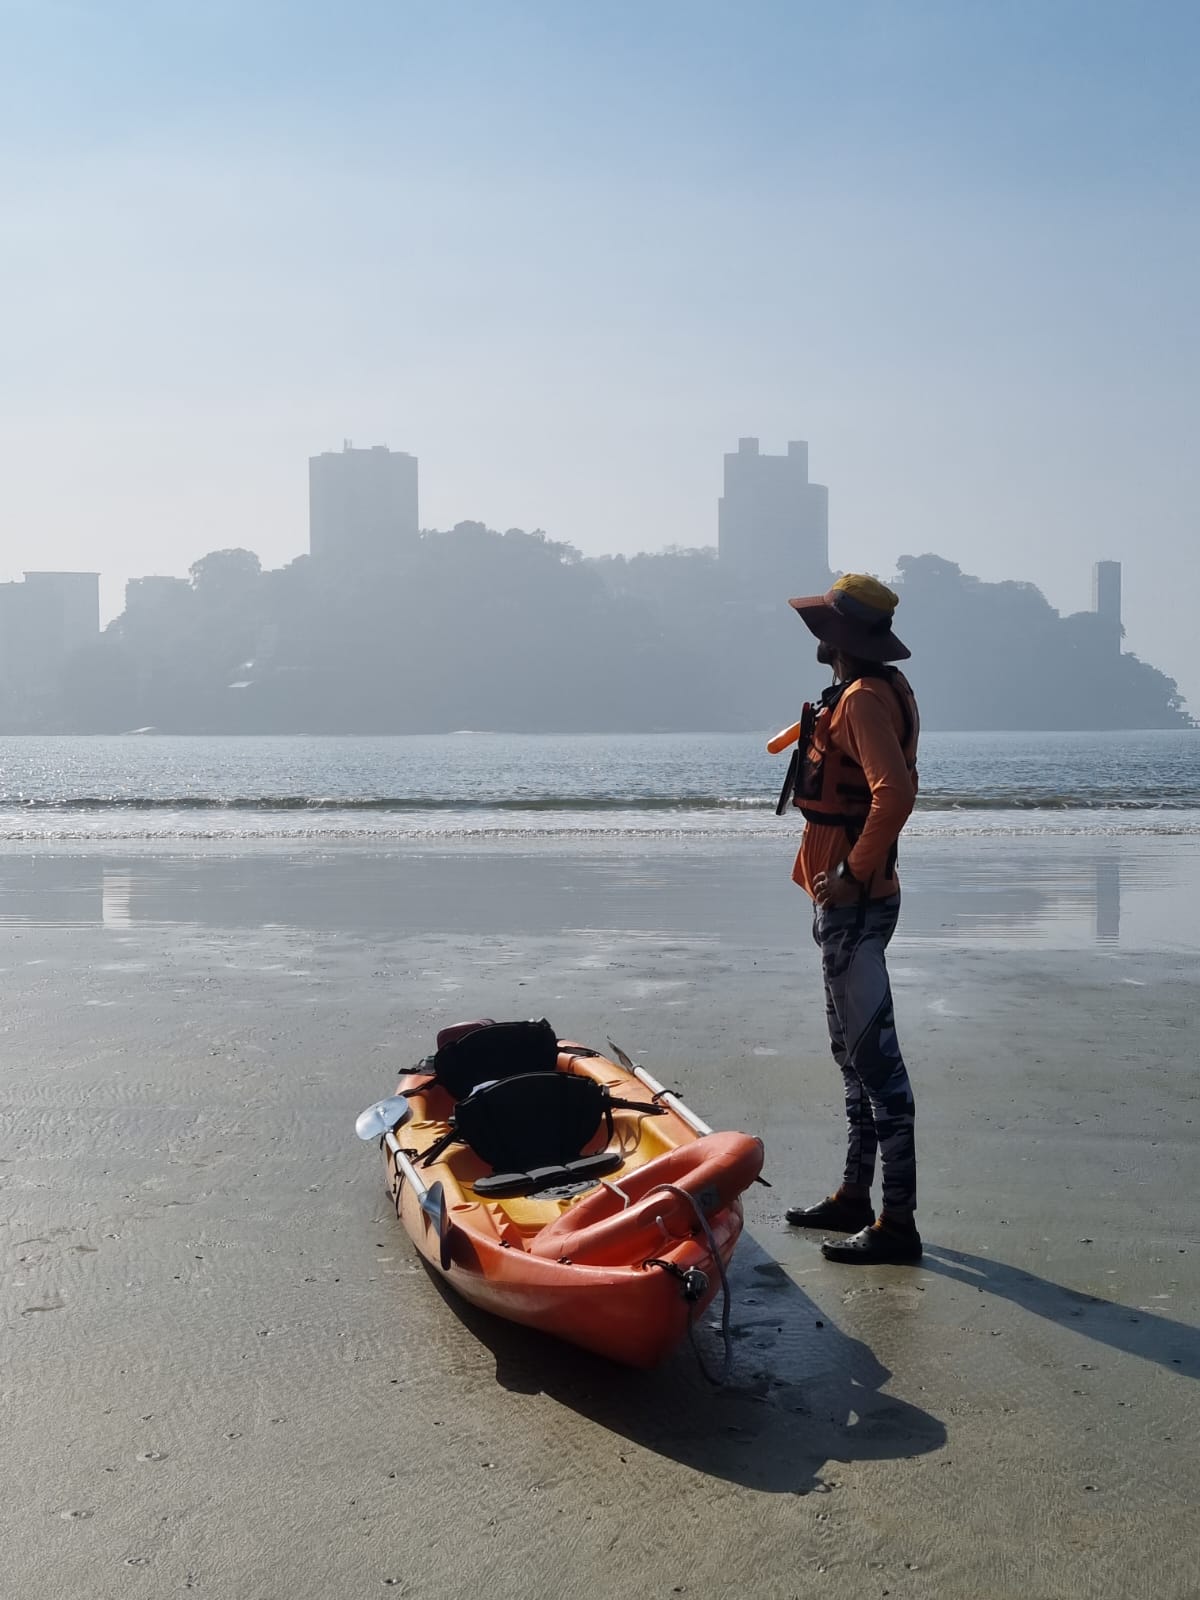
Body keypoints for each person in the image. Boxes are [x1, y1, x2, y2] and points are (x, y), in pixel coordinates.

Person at [780, 573, 923, 1264]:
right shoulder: (864, 693)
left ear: (837, 638)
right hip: (848, 902)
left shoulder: (865, 700)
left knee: (878, 1066)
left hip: (856, 906)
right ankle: (852, 1196)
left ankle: (898, 1226)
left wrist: (851, 872)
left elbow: (893, 796)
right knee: (851, 1057)